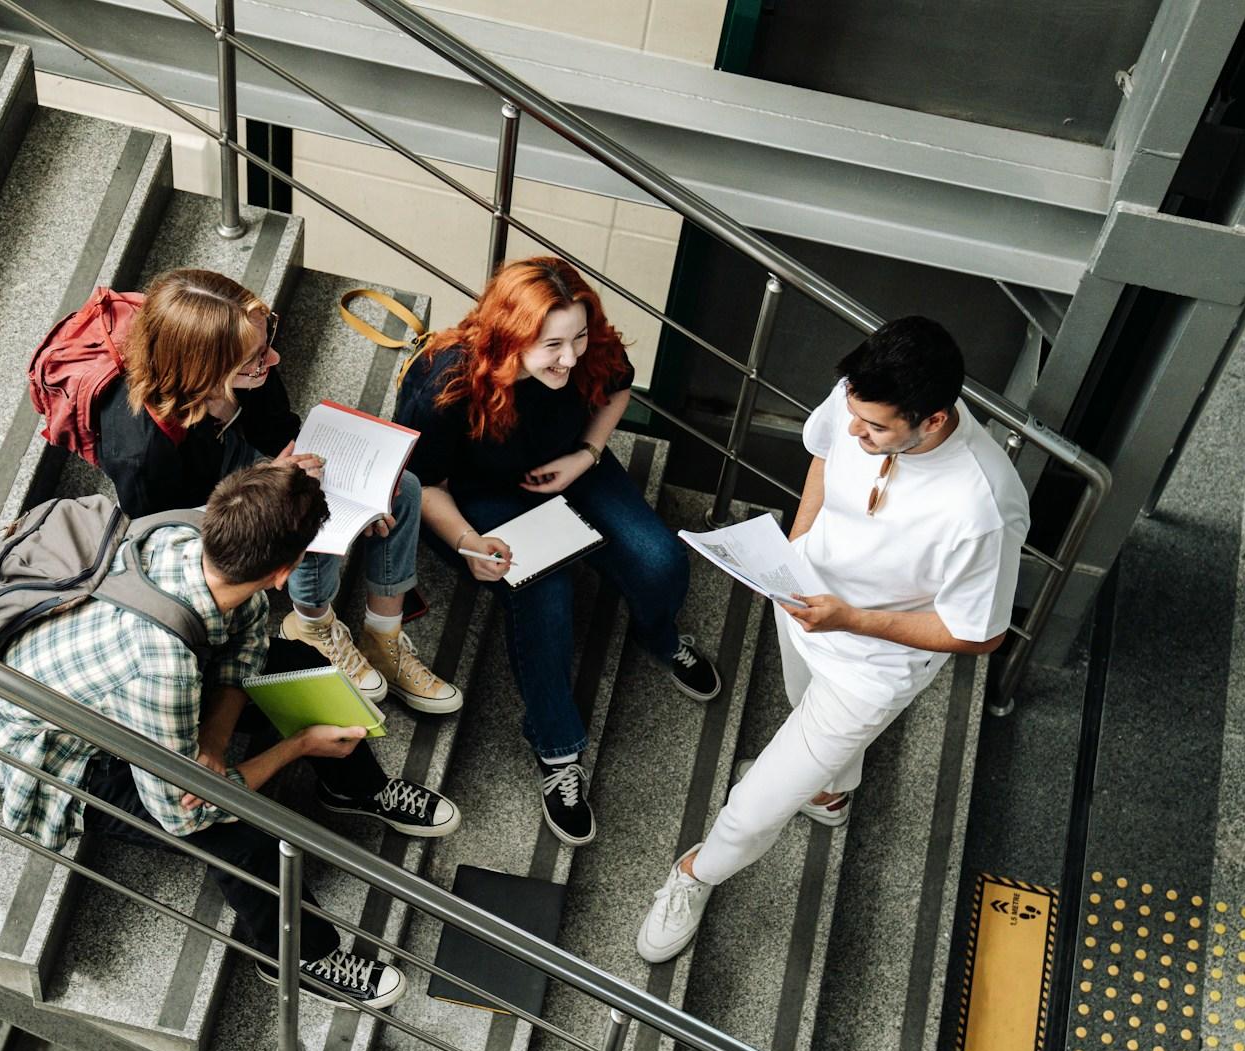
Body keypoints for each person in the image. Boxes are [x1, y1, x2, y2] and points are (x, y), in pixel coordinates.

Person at [0, 464, 462, 1009]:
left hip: (121, 683)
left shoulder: (197, 536)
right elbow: (184, 815)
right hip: (66, 759)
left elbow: (247, 640)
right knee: (243, 832)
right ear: (284, 574)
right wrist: (296, 746)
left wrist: (214, 745)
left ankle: (353, 786)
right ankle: (300, 957)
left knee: (297, 662)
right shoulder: (161, 667)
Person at [635, 317, 1030, 962]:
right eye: (854, 414)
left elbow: (979, 634)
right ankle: (829, 792)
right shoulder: (859, 397)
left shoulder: (981, 507)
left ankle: (693, 874)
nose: (855, 432)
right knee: (800, 703)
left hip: (871, 664)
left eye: (875, 429)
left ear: (933, 420)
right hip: (804, 601)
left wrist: (852, 619)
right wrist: (795, 547)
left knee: (754, 804)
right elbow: (823, 451)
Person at [395, 257, 720, 847]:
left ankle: (660, 634)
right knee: (545, 590)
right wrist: (467, 542)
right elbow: (422, 483)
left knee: (661, 561)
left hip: (568, 461)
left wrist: (586, 455)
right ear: (510, 336)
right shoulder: (446, 382)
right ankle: (558, 749)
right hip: (476, 495)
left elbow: (617, 388)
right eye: (552, 346)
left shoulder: (587, 350)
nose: (570, 359)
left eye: (578, 339)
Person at [94, 267, 461, 716]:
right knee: (299, 510)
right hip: (200, 508)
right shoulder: (142, 450)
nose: (273, 358)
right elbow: (165, 536)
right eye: (255, 358)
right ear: (206, 371)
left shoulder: (252, 364)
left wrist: (360, 495)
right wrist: (272, 486)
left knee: (401, 488)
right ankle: (312, 624)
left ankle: (383, 636)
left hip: (239, 456)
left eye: (267, 339)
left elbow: (280, 430)